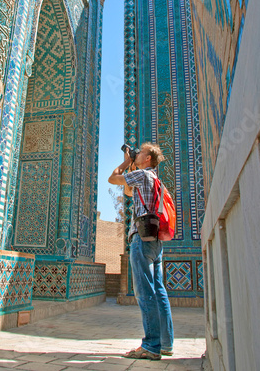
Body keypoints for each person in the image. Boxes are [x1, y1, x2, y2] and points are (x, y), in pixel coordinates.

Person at [108, 142, 174, 360]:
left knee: (144, 293)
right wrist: (131, 164)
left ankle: (151, 346)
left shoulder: (143, 175)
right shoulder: (155, 179)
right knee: (159, 291)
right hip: (155, 241)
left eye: (140, 153)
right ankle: (165, 343)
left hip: (141, 239)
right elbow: (128, 192)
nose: (137, 154)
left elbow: (113, 178)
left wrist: (127, 161)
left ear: (148, 159)